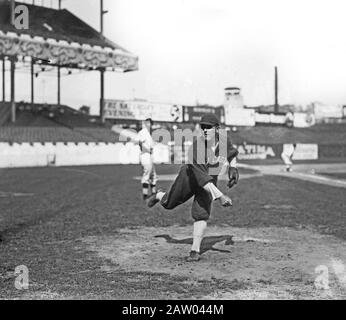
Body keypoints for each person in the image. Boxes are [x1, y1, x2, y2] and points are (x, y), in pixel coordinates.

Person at [146, 114, 239, 262]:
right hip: (189, 178)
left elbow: (231, 153)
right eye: (203, 127)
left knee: (201, 213)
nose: (205, 130)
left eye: (209, 127)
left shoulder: (223, 141)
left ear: (217, 129)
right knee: (168, 204)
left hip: (209, 179)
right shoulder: (197, 147)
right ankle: (159, 195)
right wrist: (220, 196)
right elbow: (202, 179)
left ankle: (195, 250)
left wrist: (233, 169)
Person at [138, 118, 157, 200]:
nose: (149, 124)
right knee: (147, 174)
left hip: (150, 155)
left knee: (153, 175)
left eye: (150, 123)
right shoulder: (142, 132)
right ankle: (145, 195)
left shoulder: (149, 133)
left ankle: (153, 192)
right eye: (148, 123)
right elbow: (140, 143)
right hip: (145, 155)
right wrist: (147, 149)